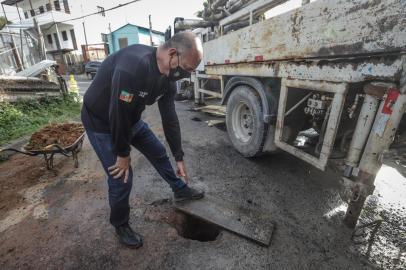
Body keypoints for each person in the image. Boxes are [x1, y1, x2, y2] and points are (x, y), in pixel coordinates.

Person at [81, 31, 204, 248]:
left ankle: (180, 189)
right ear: (173, 54)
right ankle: (121, 225)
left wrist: (179, 156)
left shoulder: (168, 80)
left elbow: (170, 117)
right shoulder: (133, 66)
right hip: (101, 122)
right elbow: (116, 112)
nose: (185, 76)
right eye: (186, 69)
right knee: (122, 177)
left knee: (157, 151)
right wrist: (122, 153)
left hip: (130, 118)